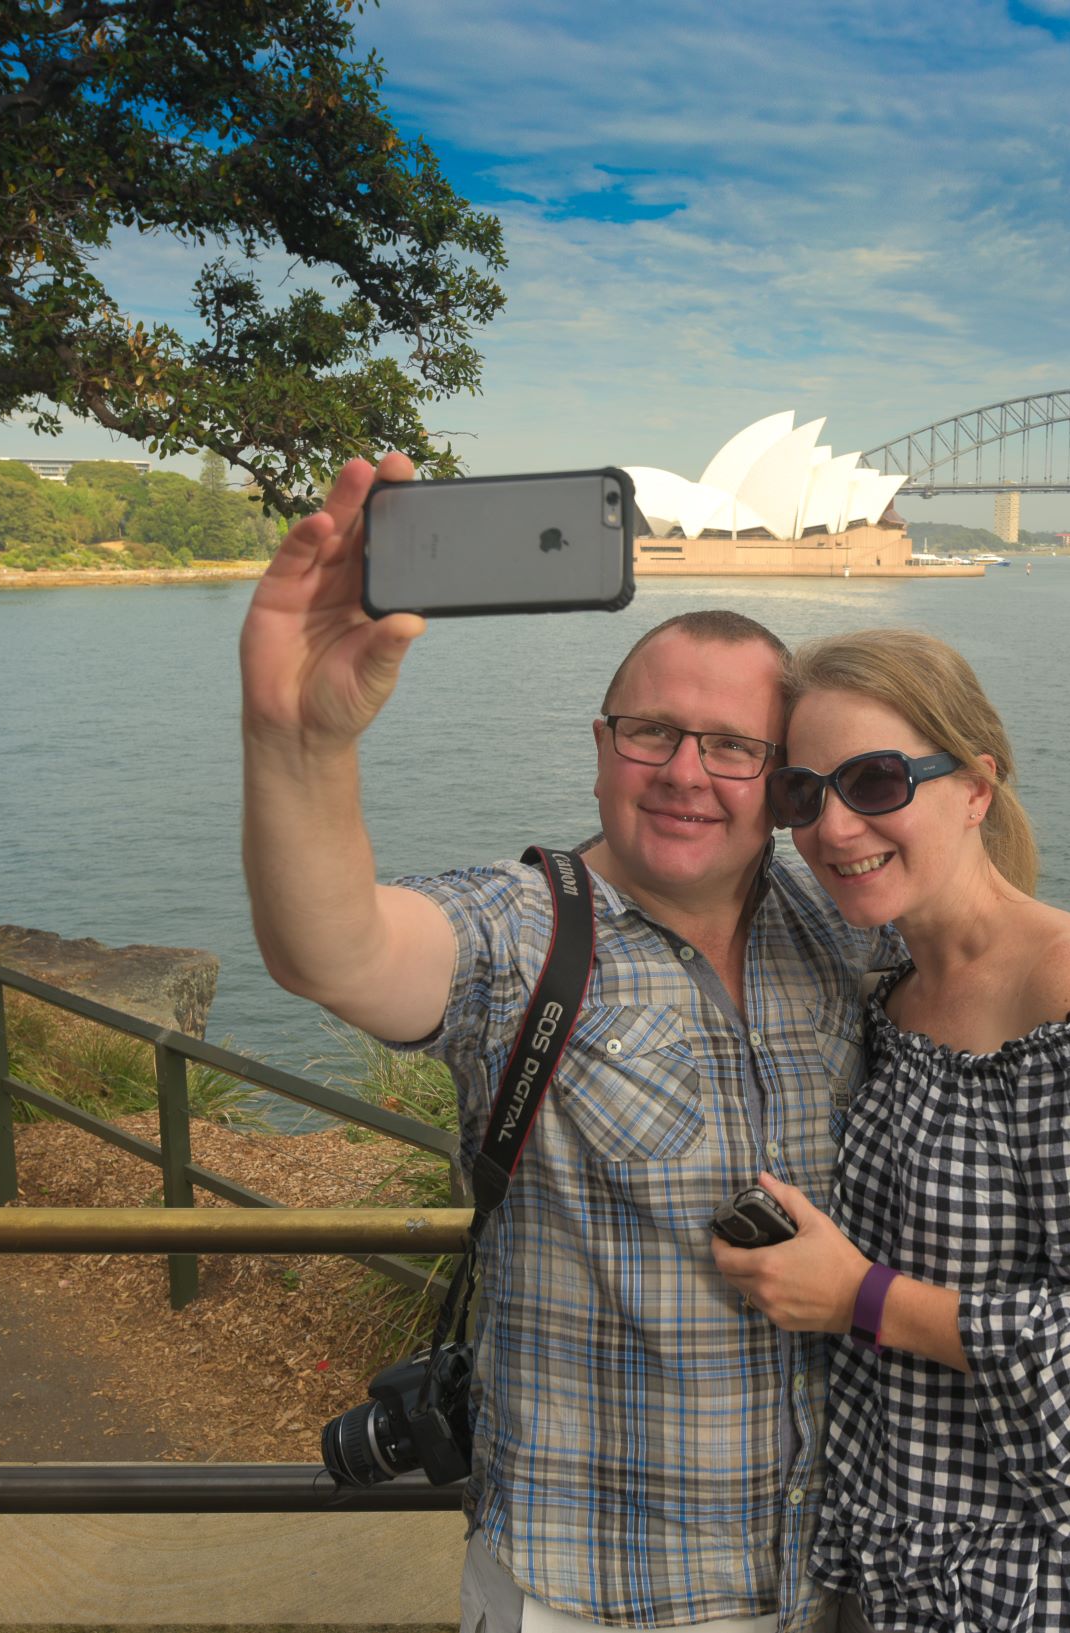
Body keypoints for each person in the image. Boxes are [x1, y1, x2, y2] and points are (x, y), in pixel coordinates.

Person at [240, 455, 891, 1633]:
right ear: (601, 743)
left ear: (782, 783)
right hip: (599, 1591)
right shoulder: (528, 931)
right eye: (653, 733)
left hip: (835, 1581)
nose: (688, 773)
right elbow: (334, 951)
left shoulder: (845, 936)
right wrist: (300, 739)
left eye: (733, 746)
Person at [711, 628, 1070, 1633]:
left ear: (976, 787)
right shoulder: (892, 989)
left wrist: (861, 1297)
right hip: (909, 1572)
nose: (834, 826)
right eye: (803, 795)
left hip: (1065, 1590)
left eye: (875, 780)